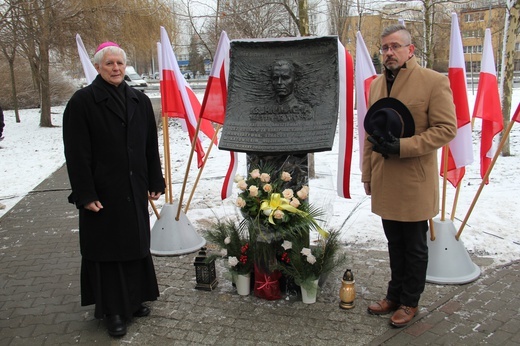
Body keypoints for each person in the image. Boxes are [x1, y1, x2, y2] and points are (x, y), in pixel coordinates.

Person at [63, 41, 165, 337]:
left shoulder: (139, 100)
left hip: (134, 187)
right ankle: (113, 311)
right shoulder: (82, 102)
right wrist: (85, 193)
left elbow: (149, 146)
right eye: (109, 63)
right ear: (97, 67)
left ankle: (133, 301)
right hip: (103, 193)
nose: (116, 68)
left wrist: (155, 181)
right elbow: (76, 153)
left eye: (120, 63)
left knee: (134, 245)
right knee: (109, 251)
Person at [362, 24, 457, 328]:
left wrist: (403, 146)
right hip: (385, 178)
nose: (388, 52)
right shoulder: (376, 85)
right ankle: (393, 294)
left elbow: (446, 129)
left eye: (395, 46)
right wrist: (367, 173)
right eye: (385, 47)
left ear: (410, 50)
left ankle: (409, 301)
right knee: (394, 242)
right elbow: (369, 133)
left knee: (414, 246)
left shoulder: (432, 82)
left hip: (414, 178)